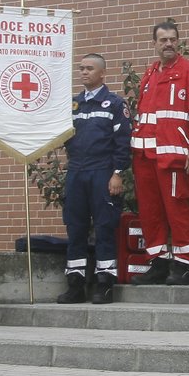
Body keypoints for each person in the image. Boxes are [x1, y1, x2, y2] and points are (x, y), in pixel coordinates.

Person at [129, 20, 189, 285]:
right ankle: (158, 262)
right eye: (163, 40)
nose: (168, 44)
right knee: (150, 211)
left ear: (178, 42)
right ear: (154, 43)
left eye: (172, 39)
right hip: (145, 156)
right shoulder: (150, 73)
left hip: (174, 155)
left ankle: (186, 263)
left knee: (177, 210)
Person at [58, 54, 130, 305]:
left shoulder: (114, 104)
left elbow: (123, 143)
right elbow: (63, 137)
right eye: (81, 69)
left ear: (102, 74)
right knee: (75, 228)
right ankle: (76, 284)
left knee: (104, 228)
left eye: (89, 69)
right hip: (77, 173)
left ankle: (104, 284)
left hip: (103, 173)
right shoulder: (73, 104)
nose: (84, 72)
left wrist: (117, 173)